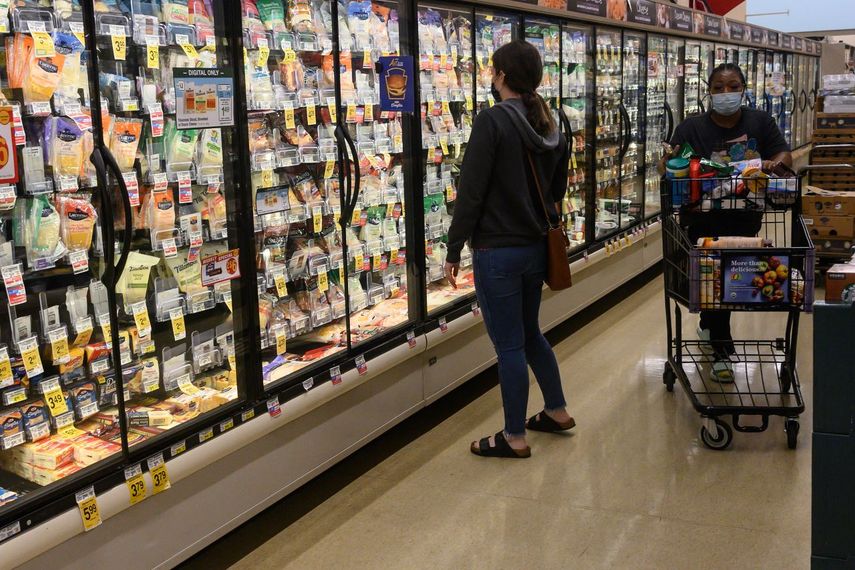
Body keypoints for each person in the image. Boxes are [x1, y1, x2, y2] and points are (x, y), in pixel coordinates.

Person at [443, 40, 575, 459]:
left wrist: (453, 248)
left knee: (510, 346)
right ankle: (556, 410)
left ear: (501, 75)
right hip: (536, 248)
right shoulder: (551, 125)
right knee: (531, 332)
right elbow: (556, 192)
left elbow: (471, 193)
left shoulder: (492, 122)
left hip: (497, 253)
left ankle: (514, 436)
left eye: (492, 70)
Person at [660, 62, 792, 382]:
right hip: (701, 220)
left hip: (744, 219)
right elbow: (671, 163)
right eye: (718, 87)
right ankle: (722, 349)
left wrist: (776, 164)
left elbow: (785, 154)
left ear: (743, 90)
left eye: (733, 86)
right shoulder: (691, 128)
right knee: (716, 278)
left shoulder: (760, 122)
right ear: (708, 91)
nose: (725, 93)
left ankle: (710, 329)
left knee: (725, 279)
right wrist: (667, 163)